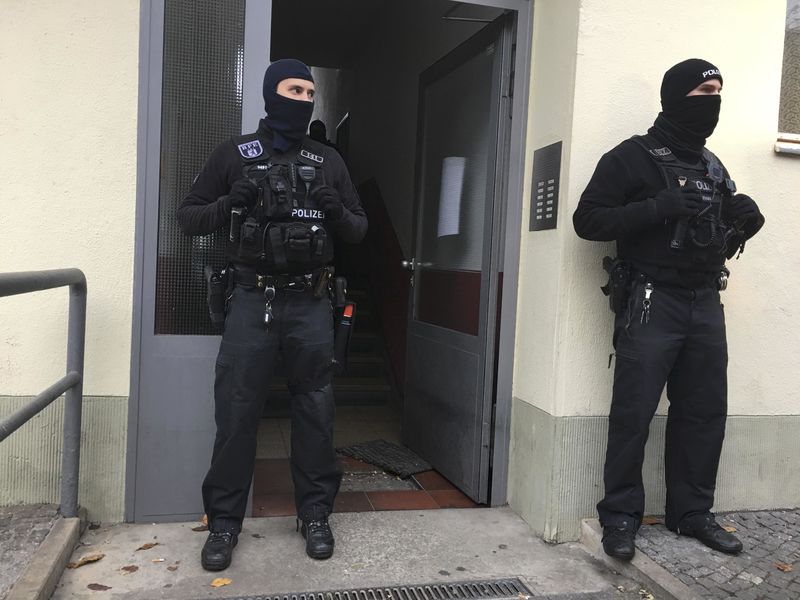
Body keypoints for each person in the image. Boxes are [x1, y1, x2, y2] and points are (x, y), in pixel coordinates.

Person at [177, 59, 368, 571]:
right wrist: (227, 205)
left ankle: (314, 515)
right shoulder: (236, 154)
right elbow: (189, 216)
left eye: (309, 91)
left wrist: (335, 209)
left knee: (316, 412)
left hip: (310, 303)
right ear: (270, 94)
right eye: (293, 88)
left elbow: (358, 230)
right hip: (251, 301)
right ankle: (222, 522)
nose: (304, 98)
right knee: (237, 413)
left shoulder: (327, 160)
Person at [573, 59, 764, 561]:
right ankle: (619, 516)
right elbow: (587, 220)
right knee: (633, 413)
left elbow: (711, 241)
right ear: (678, 95)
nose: (714, 99)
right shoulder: (631, 157)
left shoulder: (712, 167)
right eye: (705, 89)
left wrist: (741, 226)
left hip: (704, 301)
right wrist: (656, 207)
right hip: (651, 300)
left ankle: (692, 513)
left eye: (720, 90)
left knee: (703, 413)